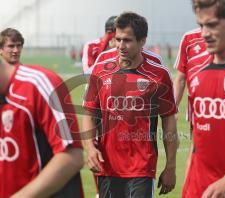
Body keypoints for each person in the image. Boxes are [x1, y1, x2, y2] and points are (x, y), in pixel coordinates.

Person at [82, 11, 178, 198]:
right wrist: (90, 148)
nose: (120, 46)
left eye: (127, 40)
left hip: (142, 166)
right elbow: (88, 112)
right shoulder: (101, 69)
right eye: (118, 39)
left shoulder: (159, 75)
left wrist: (171, 166)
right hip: (107, 166)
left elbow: (169, 121)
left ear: (142, 41)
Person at [0, 28, 84, 198]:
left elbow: (72, 156)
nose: (15, 50)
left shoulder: (39, 83)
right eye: (11, 46)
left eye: (18, 46)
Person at [183, 0, 225, 197]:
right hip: (199, 189)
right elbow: (197, 138)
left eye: (213, 24)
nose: (204, 33)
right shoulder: (197, 73)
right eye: (201, 25)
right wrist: (187, 188)